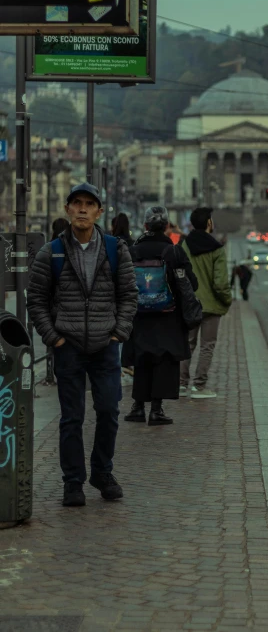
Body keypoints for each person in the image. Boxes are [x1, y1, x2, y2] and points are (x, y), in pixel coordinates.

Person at [27, 183, 138, 508]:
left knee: (108, 411)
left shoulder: (115, 250)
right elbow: (36, 300)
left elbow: (129, 296)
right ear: (68, 209)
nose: (83, 209)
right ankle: (73, 482)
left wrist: (119, 333)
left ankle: (102, 473)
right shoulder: (52, 252)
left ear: (99, 211)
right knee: (71, 418)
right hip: (69, 346)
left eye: (90, 204)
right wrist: (55, 338)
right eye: (77, 203)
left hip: (106, 346)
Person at [123, 206, 199, 426]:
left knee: (141, 359)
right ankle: (156, 410)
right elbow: (191, 284)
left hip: (139, 317)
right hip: (168, 317)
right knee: (164, 360)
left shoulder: (132, 251)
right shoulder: (173, 252)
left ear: (145, 226)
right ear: (166, 226)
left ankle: (137, 408)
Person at [180, 207, 232, 399]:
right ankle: (199, 387)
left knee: (187, 344)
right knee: (207, 346)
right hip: (210, 306)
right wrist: (227, 300)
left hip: (189, 304)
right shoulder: (216, 249)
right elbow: (220, 283)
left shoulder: (184, 246)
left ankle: (181, 384)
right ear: (209, 223)